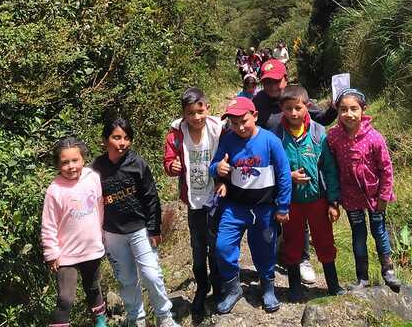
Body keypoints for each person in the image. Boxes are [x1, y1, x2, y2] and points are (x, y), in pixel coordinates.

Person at [252, 59, 337, 285]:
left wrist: (334, 108)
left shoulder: (295, 96)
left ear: (285, 79)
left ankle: (303, 259)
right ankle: (277, 260)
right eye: (267, 82)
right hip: (271, 167)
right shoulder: (258, 101)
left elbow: (321, 119)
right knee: (277, 219)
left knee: (301, 219)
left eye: (276, 81)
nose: (272, 86)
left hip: (301, 176)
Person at [209, 97, 292, 314]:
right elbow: (213, 166)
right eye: (234, 123)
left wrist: (283, 206)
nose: (240, 127)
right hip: (235, 206)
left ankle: (267, 286)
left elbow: (284, 174)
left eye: (244, 121)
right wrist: (218, 168)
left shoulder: (269, 141)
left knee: (264, 248)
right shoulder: (228, 139)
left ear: (254, 116)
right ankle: (233, 287)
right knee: (222, 246)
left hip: (264, 208)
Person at [93, 118, 178, 327]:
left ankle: (164, 316)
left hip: (140, 229)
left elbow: (151, 197)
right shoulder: (96, 168)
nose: (122, 143)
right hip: (112, 233)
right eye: (116, 138)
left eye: (126, 138)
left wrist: (154, 228)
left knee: (151, 274)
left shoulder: (137, 163)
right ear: (105, 140)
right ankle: (136, 318)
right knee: (126, 279)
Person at [270, 85, 344, 300]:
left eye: (298, 108)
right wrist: (288, 176)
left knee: (324, 241)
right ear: (281, 108)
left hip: (317, 199)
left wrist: (333, 202)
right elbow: (271, 168)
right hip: (290, 201)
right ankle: (294, 287)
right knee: (292, 242)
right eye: (288, 108)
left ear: (307, 107)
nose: (293, 113)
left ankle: (333, 285)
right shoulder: (276, 137)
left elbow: (329, 169)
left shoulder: (319, 132)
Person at [326, 89, 401, 292]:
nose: (348, 114)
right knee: (358, 234)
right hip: (350, 197)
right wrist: (333, 198)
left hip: (375, 196)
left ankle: (388, 271)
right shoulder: (333, 137)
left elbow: (386, 168)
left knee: (379, 231)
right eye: (343, 109)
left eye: (353, 109)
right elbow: (330, 166)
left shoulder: (375, 138)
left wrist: (385, 195)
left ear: (363, 110)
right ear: (337, 111)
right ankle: (362, 278)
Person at [163, 88, 223, 318]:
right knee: (198, 247)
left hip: (215, 197)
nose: (197, 117)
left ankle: (218, 286)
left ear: (207, 108)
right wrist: (172, 166)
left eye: (200, 111)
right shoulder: (176, 135)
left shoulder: (217, 129)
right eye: (191, 113)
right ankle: (202, 285)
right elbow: (168, 161)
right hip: (193, 200)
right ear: (184, 114)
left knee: (215, 244)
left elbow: (231, 149)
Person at [41, 137, 108, 327]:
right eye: (65, 162)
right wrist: (51, 253)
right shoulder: (55, 190)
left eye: (75, 160)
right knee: (65, 298)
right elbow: (49, 224)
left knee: (93, 287)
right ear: (58, 164)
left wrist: (102, 235)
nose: (71, 166)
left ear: (83, 159)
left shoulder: (92, 178)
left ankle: (101, 321)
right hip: (65, 254)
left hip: (91, 248)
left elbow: (100, 208)